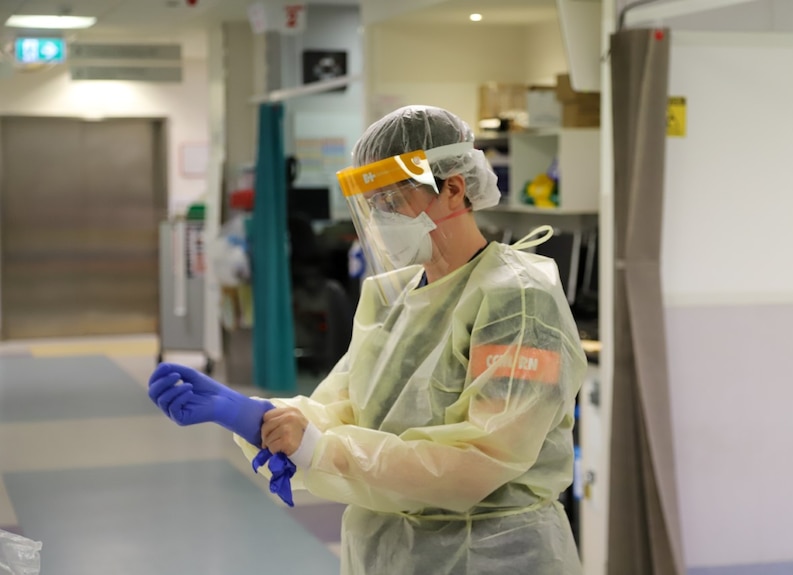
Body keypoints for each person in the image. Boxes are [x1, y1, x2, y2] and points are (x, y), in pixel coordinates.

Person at [148, 105, 587, 574]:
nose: (380, 219)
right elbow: (348, 406)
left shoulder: (517, 299)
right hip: (390, 553)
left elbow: (476, 462)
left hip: (490, 556)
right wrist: (264, 419)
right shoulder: (395, 297)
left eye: (391, 201)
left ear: (454, 189)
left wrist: (318, 449)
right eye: (371, 204)